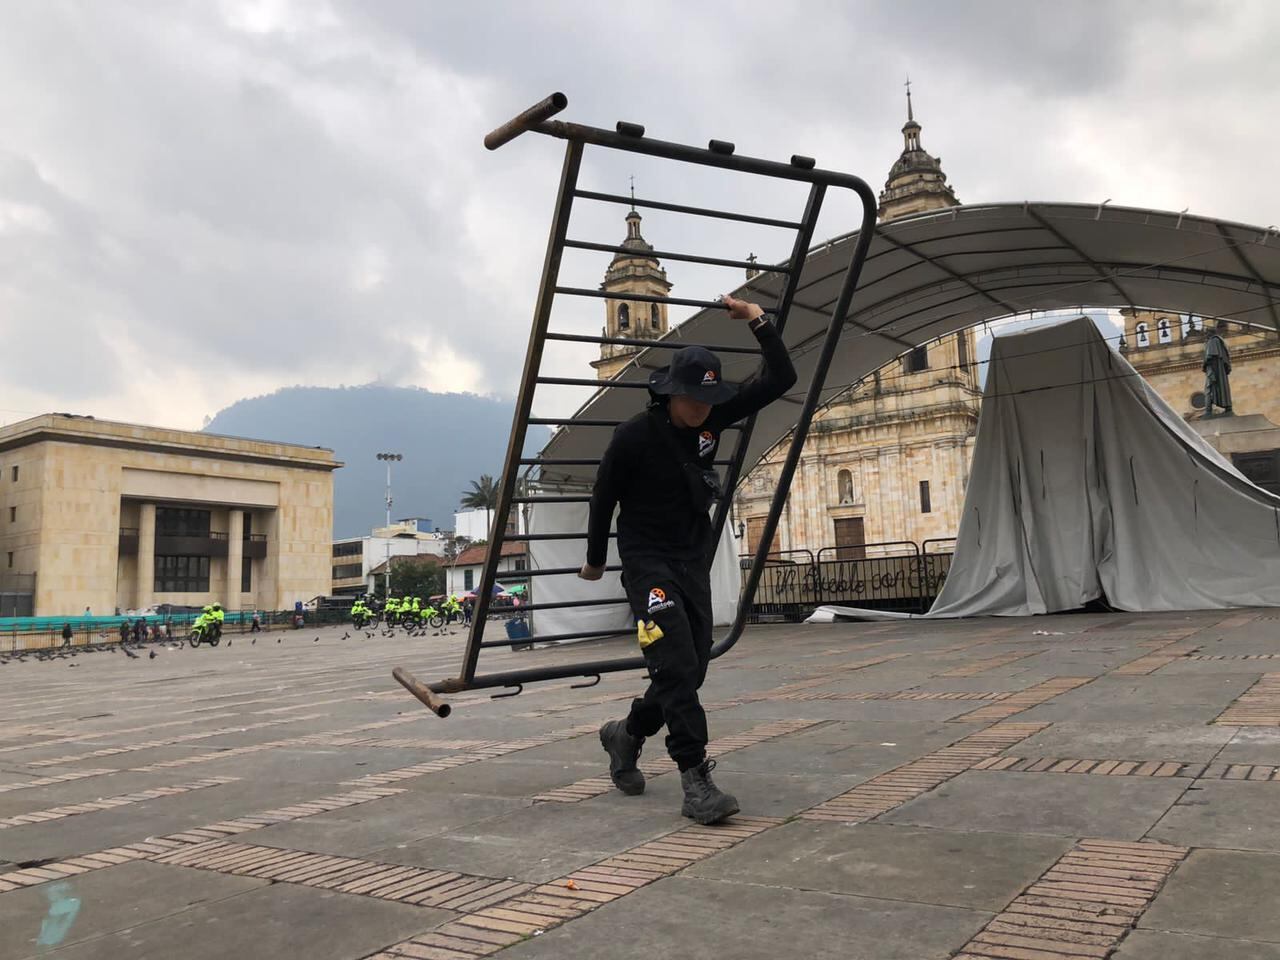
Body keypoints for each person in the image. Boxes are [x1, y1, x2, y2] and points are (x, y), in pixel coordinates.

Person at [581, 293, 796, 824]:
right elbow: (603, 496)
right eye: (692, 400)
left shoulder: (711, 420)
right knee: (676, 662)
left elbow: (781, 379)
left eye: (708, 401)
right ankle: (696, 781)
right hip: (646, 561)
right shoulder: (633, 436)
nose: (701, 410)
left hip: (689, 558)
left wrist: (759, 322)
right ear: (671, 393)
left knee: (692, 667)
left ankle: (626, 735)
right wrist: (594, 558)